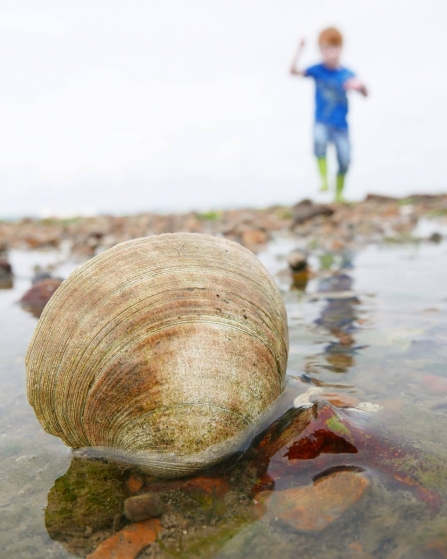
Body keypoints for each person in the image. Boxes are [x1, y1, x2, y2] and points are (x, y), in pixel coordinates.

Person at [290, 27, 368, 202]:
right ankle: (324, 181)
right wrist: (299, 49)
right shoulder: (317, 70)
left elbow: (365, 93)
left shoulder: (347, 74)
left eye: (333, 48)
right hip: (322, 121)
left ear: (340, 49)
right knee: (319, 141)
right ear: (320, 51)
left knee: (345, 159)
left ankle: (339, 194)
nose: (329, 53)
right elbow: (293, 71)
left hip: (341, 125)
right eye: (325, 49)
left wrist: (360, 86)